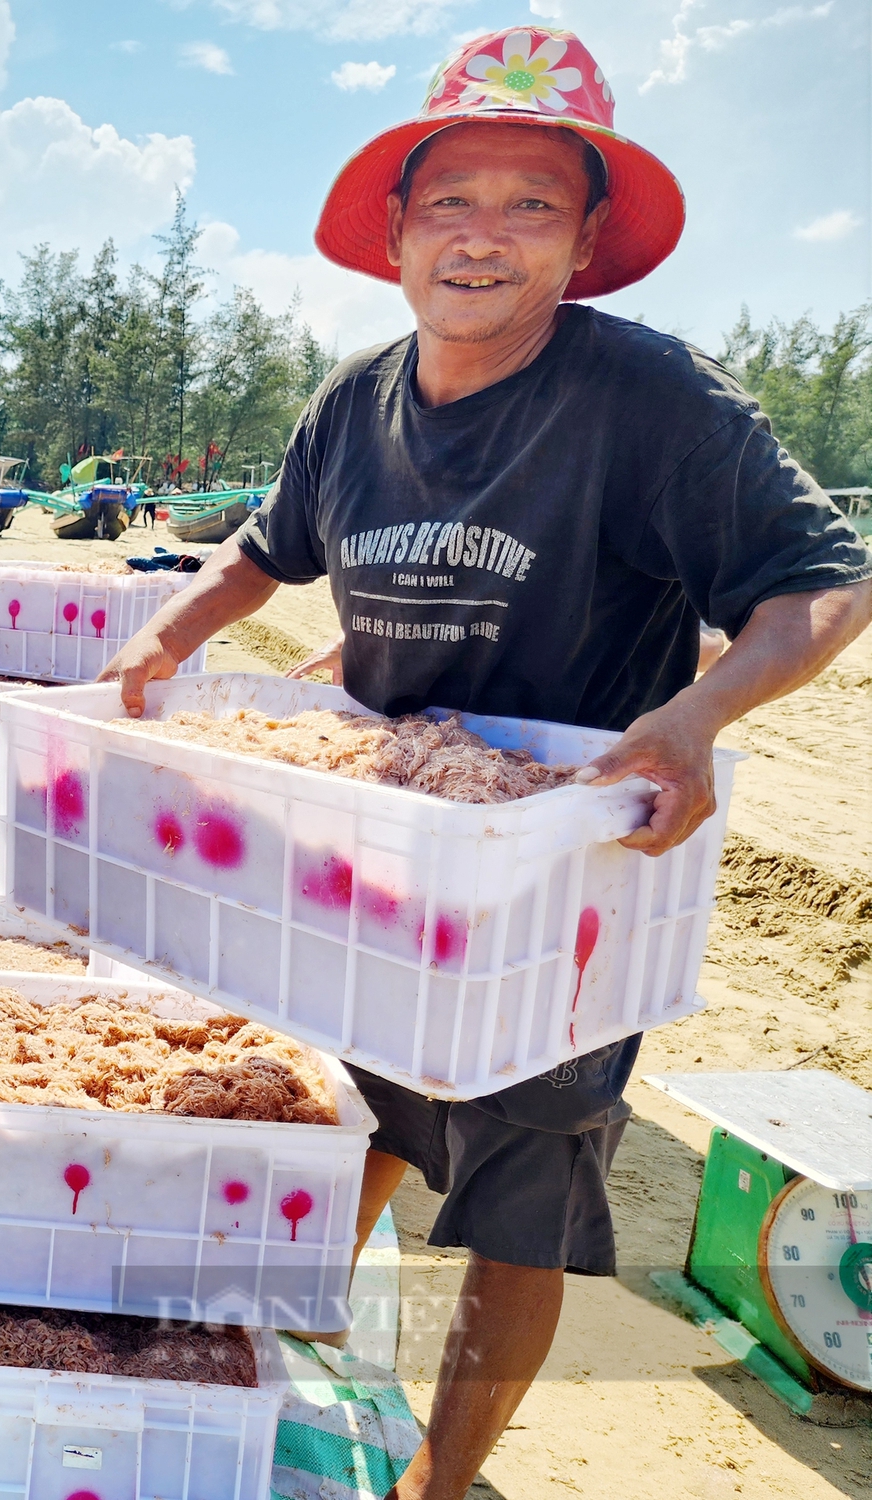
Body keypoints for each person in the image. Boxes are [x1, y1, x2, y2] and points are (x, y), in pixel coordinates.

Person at [99, 26, 871, 1500]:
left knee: (518, 1191)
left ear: (583, 243)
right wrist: (155, 645)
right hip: (383, 851)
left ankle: (436, 1486)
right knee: (371, 1101)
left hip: (565, 875)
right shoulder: (354, 403)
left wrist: (698, 721)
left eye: (531, 205)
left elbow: (822, 585)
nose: (483, 237)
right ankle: (314, 1322)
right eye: (453, 199)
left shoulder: (653, 403)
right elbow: (265, 556)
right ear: (395, 229)